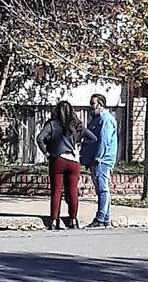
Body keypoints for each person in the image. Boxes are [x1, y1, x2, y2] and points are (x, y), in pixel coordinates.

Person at [36, 101, 97, 230]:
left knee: (56, 191)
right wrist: (79, 145)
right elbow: (93, 138)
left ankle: (54, 220)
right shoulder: (77, 126)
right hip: (73, 161)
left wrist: (46, 152)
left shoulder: (52, 125)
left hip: (58, 159)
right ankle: (73, 219)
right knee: (73, 191)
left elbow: (40, 138)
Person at [81, 93, 118, 229]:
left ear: (100, 104)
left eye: (93, 104)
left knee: (103, 189)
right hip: (93, 160)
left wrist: (99, 157)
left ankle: (101, 217)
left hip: (102, 161)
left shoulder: (106, 119)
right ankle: (105, 218)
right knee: (100, 190)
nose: (91, 107)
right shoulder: (95, 119)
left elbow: (104, 140)